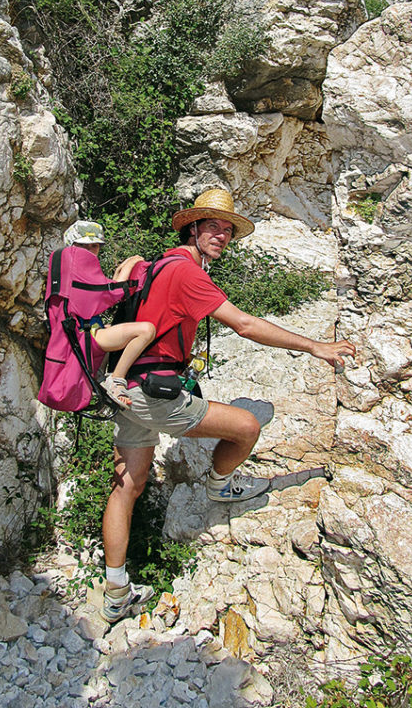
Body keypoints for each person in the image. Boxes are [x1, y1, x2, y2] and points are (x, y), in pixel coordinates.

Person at [99, 189, 356, 624]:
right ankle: (221, 486)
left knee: (128, 486)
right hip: (155, 393)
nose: (221, 235)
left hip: (123, 388)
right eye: (212, 226)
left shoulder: (152, 264)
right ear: (192, 228)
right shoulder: (187, 274)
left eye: (227, 230)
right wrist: (315, 346)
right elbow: (245, 324)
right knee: (246, 426)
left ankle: (115, 592)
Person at [62, 220, 156, 409]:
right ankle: (116, 379)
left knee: (119, 328)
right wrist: (131, 264)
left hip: (88, 332)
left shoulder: (71, 267)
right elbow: (112, 294)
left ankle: (101, 378)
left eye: (94, 246)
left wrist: (124, 267)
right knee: (146, 331)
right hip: (85, 336)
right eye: (83, 246)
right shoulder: (75, 269)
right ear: (72, 246)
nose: (89, 251)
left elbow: (105, 289)